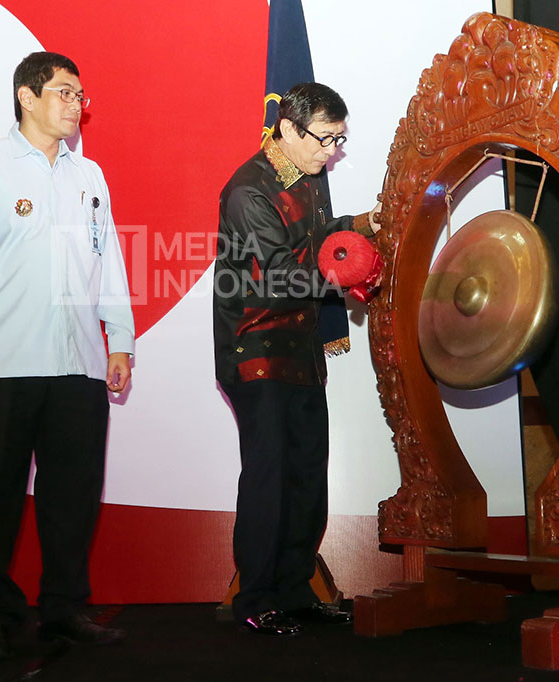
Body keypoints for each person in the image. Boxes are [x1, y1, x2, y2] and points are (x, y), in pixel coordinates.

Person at [0, 51, 134, 660]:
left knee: (72, 495)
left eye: (81, 96)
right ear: (26, 96)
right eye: (65, 92)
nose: (77, 105)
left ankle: (64, 609)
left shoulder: (89, 175)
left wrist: (118, 338)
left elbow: (107, 262)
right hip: (1, 359)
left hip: (77, 362)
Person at [213, 82, 380, 636]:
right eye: (324, 138)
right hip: (257, 349)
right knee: (270, 475)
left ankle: (294, 589)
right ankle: (255, 597)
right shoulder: (248, 190)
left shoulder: (310, 177)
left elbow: (317, 237)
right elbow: (280, 274)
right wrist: (347, 271)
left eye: (339, 140)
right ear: (286, 128)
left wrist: (359, 227)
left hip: (303, 350)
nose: (331, 151)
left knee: (308, 472)